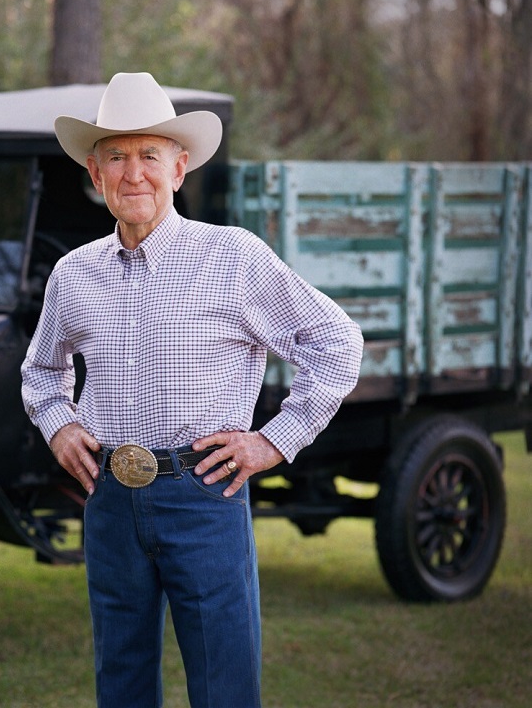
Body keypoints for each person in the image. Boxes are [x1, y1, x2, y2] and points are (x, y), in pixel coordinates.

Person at [21, 72, 363, 708]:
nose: (133, 175)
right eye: (116, 158)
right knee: (119, 679)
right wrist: (59, 424)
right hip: (110, 502)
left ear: (179, 168)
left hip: (204, 494)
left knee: (223, 684)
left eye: (149, 155)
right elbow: (41, 371)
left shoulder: (232, 257)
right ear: (94, 177)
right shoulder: (74, 275)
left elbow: (336, 342)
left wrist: (274, 441)